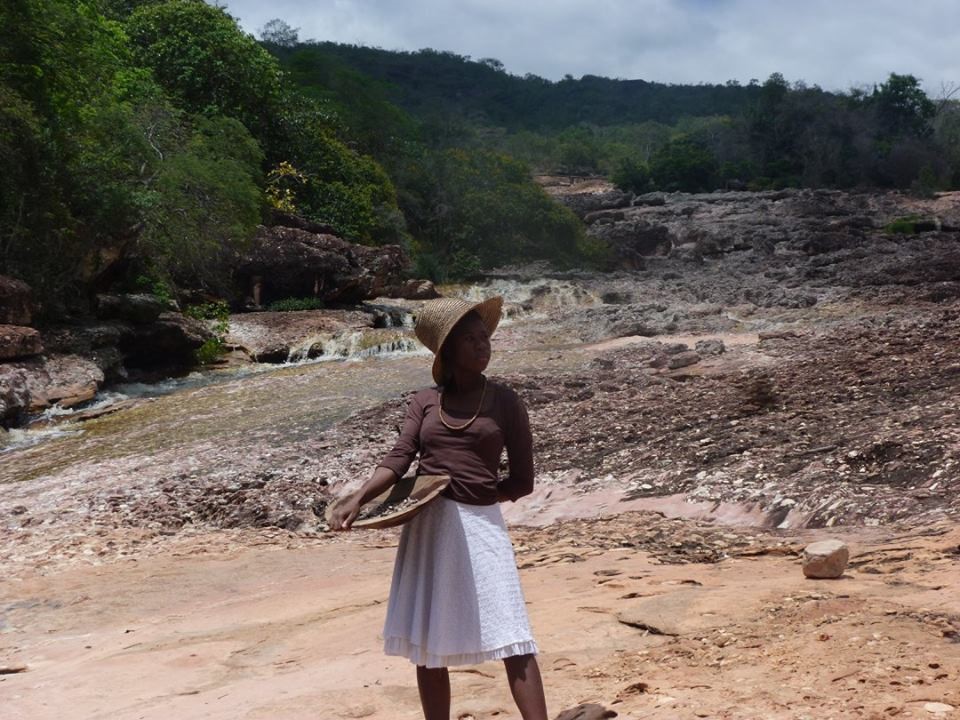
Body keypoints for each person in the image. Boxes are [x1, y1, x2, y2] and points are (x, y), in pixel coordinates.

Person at [330, 295, 549, 720]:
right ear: (447, 349)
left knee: (514, 634)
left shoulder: (506, 401)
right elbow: (398, 459)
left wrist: (482, 494)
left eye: (484, 337)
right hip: (428, 524)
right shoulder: (425, 401)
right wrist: (359, 497)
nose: (482, 346)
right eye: (469, 340)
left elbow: (523, 480)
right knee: (430, 643)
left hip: (482, 524)